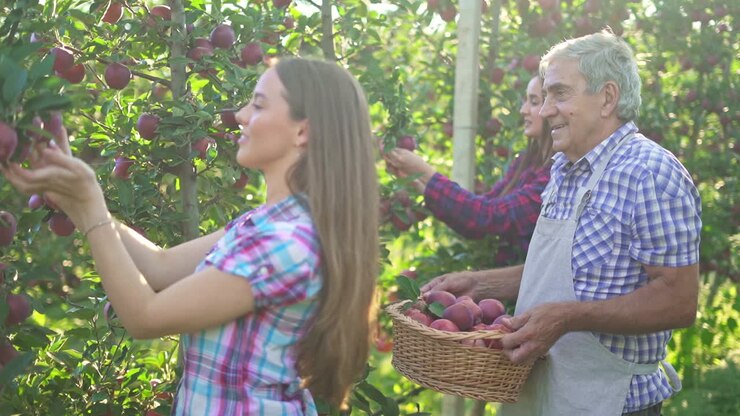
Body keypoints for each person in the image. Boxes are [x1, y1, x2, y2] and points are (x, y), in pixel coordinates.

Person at [1, 58, 379, 415]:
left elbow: (145, 317)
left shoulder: (284, 242)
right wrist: (75, 201)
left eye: (259, 106)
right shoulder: (265, 224)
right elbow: (159, 267)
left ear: (303, 130)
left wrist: (91, 205)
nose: (241, 116)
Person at [422, 29, 702, 416]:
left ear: (607, 98)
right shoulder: (565, 169)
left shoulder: (649, 172)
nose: (544, 110)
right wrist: (482, 282)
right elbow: (565, 270)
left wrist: (568, 318)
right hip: (544, 393)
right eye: (546, 96)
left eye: (559, 94)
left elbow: (679, 300)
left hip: (609, 401)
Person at [384, 75, 553, 265]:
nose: (523, 110)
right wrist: (417, 181)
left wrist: (424, 171)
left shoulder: (554, 177)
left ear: (553, 108)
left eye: (534, 102)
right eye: (525, 101)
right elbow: (476, 218)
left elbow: (489, 217)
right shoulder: (526, 163)